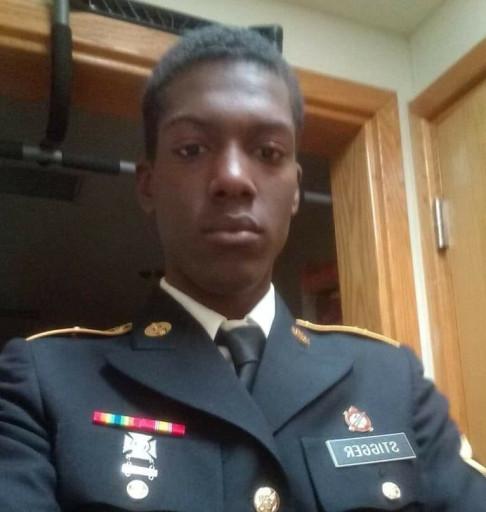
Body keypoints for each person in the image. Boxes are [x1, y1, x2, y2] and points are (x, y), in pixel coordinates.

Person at [0, 24, 485, 512]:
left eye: (268, 152)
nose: (232, 178)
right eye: (192, 149)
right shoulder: (42, 384)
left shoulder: (391, 380)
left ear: (295, 190)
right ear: (148, 185)